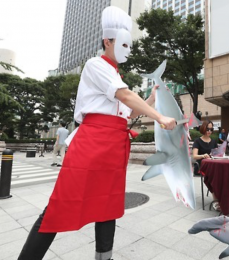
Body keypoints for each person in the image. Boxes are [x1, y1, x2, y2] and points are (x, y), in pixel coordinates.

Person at [18, 6, 176, 260]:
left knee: (108, 205)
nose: (128, 50)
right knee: (60, 204)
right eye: (123, 44)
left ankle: (105, 258)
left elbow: (127, 112)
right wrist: (158, 116)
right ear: (107, 41)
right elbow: (124, 95)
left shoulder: (114, 74)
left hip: (113, 146)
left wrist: (151, 99)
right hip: (92, 143)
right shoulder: (95, 65)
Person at [192, 120, 219, 210]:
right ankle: (216, 200)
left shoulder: (214, 141)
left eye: (211, 129)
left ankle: (224, 197)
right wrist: (203, 155)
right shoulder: (197, 141)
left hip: (213, 165)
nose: (209, 131)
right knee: (214, 176)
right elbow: (195, 156)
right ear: (203, 128)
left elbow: (217, 154)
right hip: (201, 165)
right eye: (208, 129)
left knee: (223, 173)